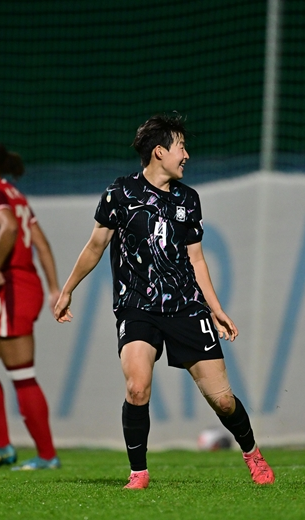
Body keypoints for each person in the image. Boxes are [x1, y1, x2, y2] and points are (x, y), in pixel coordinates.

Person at [54, 113, 275, 489]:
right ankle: (138, 473)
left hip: (186, 307)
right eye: (181, 147)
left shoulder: (189, 200)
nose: (187, 154)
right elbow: (95, 246)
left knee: (222, 402)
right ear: (160, 151)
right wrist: (67, 289)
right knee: (137, 387)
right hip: (135, 306)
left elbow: (196, 259)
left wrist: (217, 309)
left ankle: (252, 454)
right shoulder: (119, 194)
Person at [0, 138, 61, 471]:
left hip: (12, 290)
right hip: (21, 288)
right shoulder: (13, 193)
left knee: (22, 374)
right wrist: (52, 287)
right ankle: (2, 446)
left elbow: (9, 226)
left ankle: (46, 455)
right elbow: (43, 244)